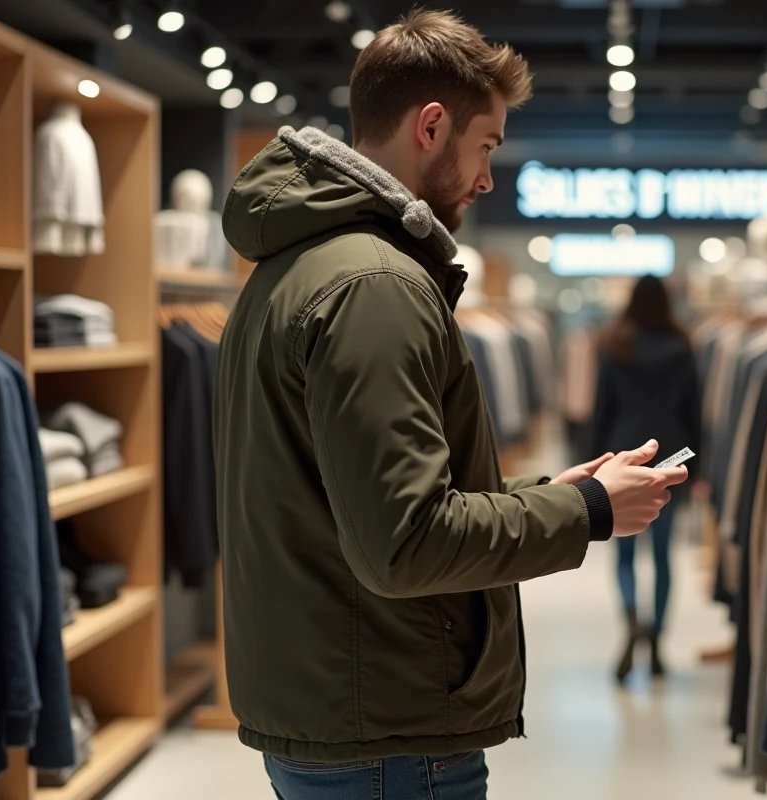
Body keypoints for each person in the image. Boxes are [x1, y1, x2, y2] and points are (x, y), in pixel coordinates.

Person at [212, 11, 688, 800]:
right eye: (487, 147)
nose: (489, 178)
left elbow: (358, 507)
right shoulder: (375, 287)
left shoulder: (294, 269)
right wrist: (590, 513)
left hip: (341, 704)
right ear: (432, 126)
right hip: (385, 729)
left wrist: (557, 495)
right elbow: (405, 543)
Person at [588, 276, 702, 683]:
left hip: (623, 454)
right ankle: (656, 637)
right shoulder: (683, 348)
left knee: (622, 551)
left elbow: (602, 409)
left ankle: (632, 619)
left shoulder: (615, 346)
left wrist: (593, 463)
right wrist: (698, 468)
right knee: (662, 553)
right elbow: (694, 411)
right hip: (672, 455)